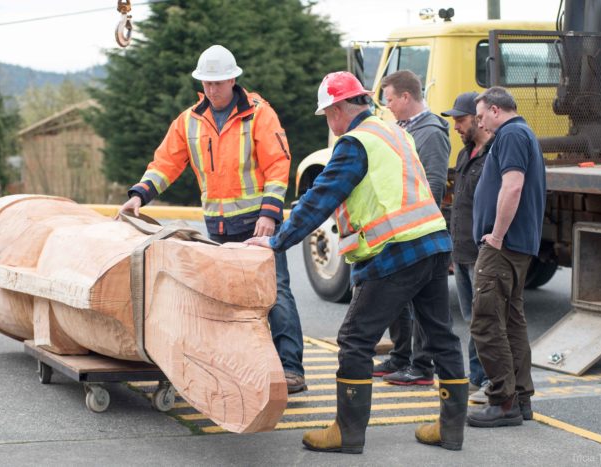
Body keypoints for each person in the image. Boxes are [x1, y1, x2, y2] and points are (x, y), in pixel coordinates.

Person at [246, 71, 467, 454]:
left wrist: (277, 241)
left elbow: (321, 197)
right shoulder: (395, 131)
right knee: (441, 335)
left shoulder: (356, 142)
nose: (329, 123)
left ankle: (347, 432)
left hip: (396, 250)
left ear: (337, 109)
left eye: (327, 114)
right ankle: (451, 430)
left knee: (354, 340)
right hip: (433, 243)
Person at [117, 45, 306, 394]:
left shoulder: (259, 115)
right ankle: (236, 365)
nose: (212, 90)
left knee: (274, 293)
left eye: (218, 83)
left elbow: (278, 166)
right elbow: (165, 164)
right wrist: (139, 195)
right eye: (207, 83)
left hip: (257, 224)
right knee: (222, 297)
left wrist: (269, 214)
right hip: (217, 227)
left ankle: (291, 368)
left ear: (233, 79)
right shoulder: (189, 121)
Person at [467, 86, 546, 427]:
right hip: (516, 245)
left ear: (496, 110)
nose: (480, 123)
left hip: (503, 246)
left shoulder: (512, 134)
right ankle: (521, 398)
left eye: (482, 116)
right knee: (511, 321)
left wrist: (496, 236)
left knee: (486, 320)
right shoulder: (521, 133)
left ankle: (503, 401)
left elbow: (512, 186)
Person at [372, 70, 451, 386]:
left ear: (406, 97)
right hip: (398, 229)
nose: (387, 105)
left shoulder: (430, 133)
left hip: (415, 230)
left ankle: (421, 366)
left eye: (390, 99)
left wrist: (408, 222)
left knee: (420, 303)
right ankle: (401, 357)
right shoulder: (402, 129)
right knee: (399, 300)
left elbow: (432, 183)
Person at [440, 92, 493, 403]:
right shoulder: (465, 156)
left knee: (486, 320)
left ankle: (490, 380)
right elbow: (459, 205)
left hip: (480, 252)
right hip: (460, 251)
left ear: (478, 118)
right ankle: (477, 376)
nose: (456, 126)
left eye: (460, 120)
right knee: (472, 320)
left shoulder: (493, 155)